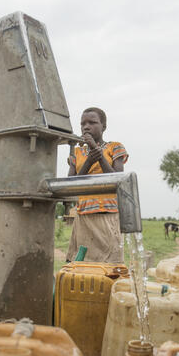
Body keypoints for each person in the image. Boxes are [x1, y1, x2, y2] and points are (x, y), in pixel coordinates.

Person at [66, 107, 128, 263]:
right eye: (83, 123)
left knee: (110, 264)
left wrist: (98, 153)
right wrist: (89, 160)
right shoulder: (77, 152)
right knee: (83, 265)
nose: (86, 127)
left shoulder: (115, 147)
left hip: (107, 215)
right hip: (84, 217)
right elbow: (71, 185)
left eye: (92, 122)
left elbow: (116, 180)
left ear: (104, 127)